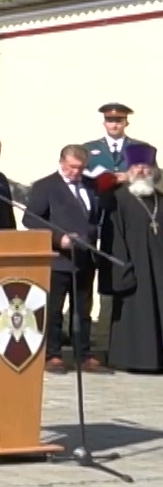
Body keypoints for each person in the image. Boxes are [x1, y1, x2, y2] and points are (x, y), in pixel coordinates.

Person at [26, 145, 109, 373]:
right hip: (57, 259)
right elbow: (31, 219)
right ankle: (52, 354)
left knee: (82, 309)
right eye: (72, 167)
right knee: (53, 309)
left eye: (80, 168)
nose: (76, 172)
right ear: (62, 162)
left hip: (84, 258)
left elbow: (94, 217)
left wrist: (91, 236)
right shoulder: (46, 186)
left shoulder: (90, 185)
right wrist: (58, 239)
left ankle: (83, 354)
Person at [104, 144, 162, 374]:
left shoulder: (159, 198)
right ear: (128, 169)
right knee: (135, 312)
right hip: (133, 268)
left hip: (159, 268)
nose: (140, 171)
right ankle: (136, 360)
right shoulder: (117, 198)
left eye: (145, 166)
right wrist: (121, 269)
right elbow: (113, 236)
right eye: (136, 166)